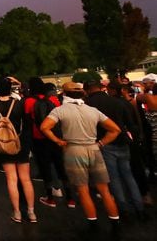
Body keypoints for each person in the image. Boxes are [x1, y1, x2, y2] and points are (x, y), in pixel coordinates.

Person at [40, 81, 122, 235]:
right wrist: (102, 143)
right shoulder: (93, 110)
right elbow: (115, 129)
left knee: (83, 190)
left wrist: (58, 141)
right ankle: (115, 222)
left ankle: (93, 225)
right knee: (104, 189)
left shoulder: (60, 110)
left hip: (73, 150)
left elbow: (45, 127)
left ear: (64, 94)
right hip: (94, 148)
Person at [84, 77, 146, 221]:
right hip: (123, 142)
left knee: (114, 178)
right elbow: (129, 124)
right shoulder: (116, 102)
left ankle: (123, 209)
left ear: (87, 90)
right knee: (128, 176)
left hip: (104, 143)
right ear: (101, 88)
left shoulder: (89, 104)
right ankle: (139, 208)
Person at [0, 77, 36, 223]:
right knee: (26, 179)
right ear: (10, 89)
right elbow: (27, 124)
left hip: (3, 144)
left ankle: (17, 212)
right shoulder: (19, 104)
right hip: (19, 143)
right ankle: (31, 212)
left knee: (11, 179)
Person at [25, 77, 75, 208]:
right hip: (56, 137)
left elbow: (27, 121)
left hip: (39, 138)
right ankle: (70, 198)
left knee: (45, 167)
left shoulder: (29, 101)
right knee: (60, 166)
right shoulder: (54, 100)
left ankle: (50, 197)